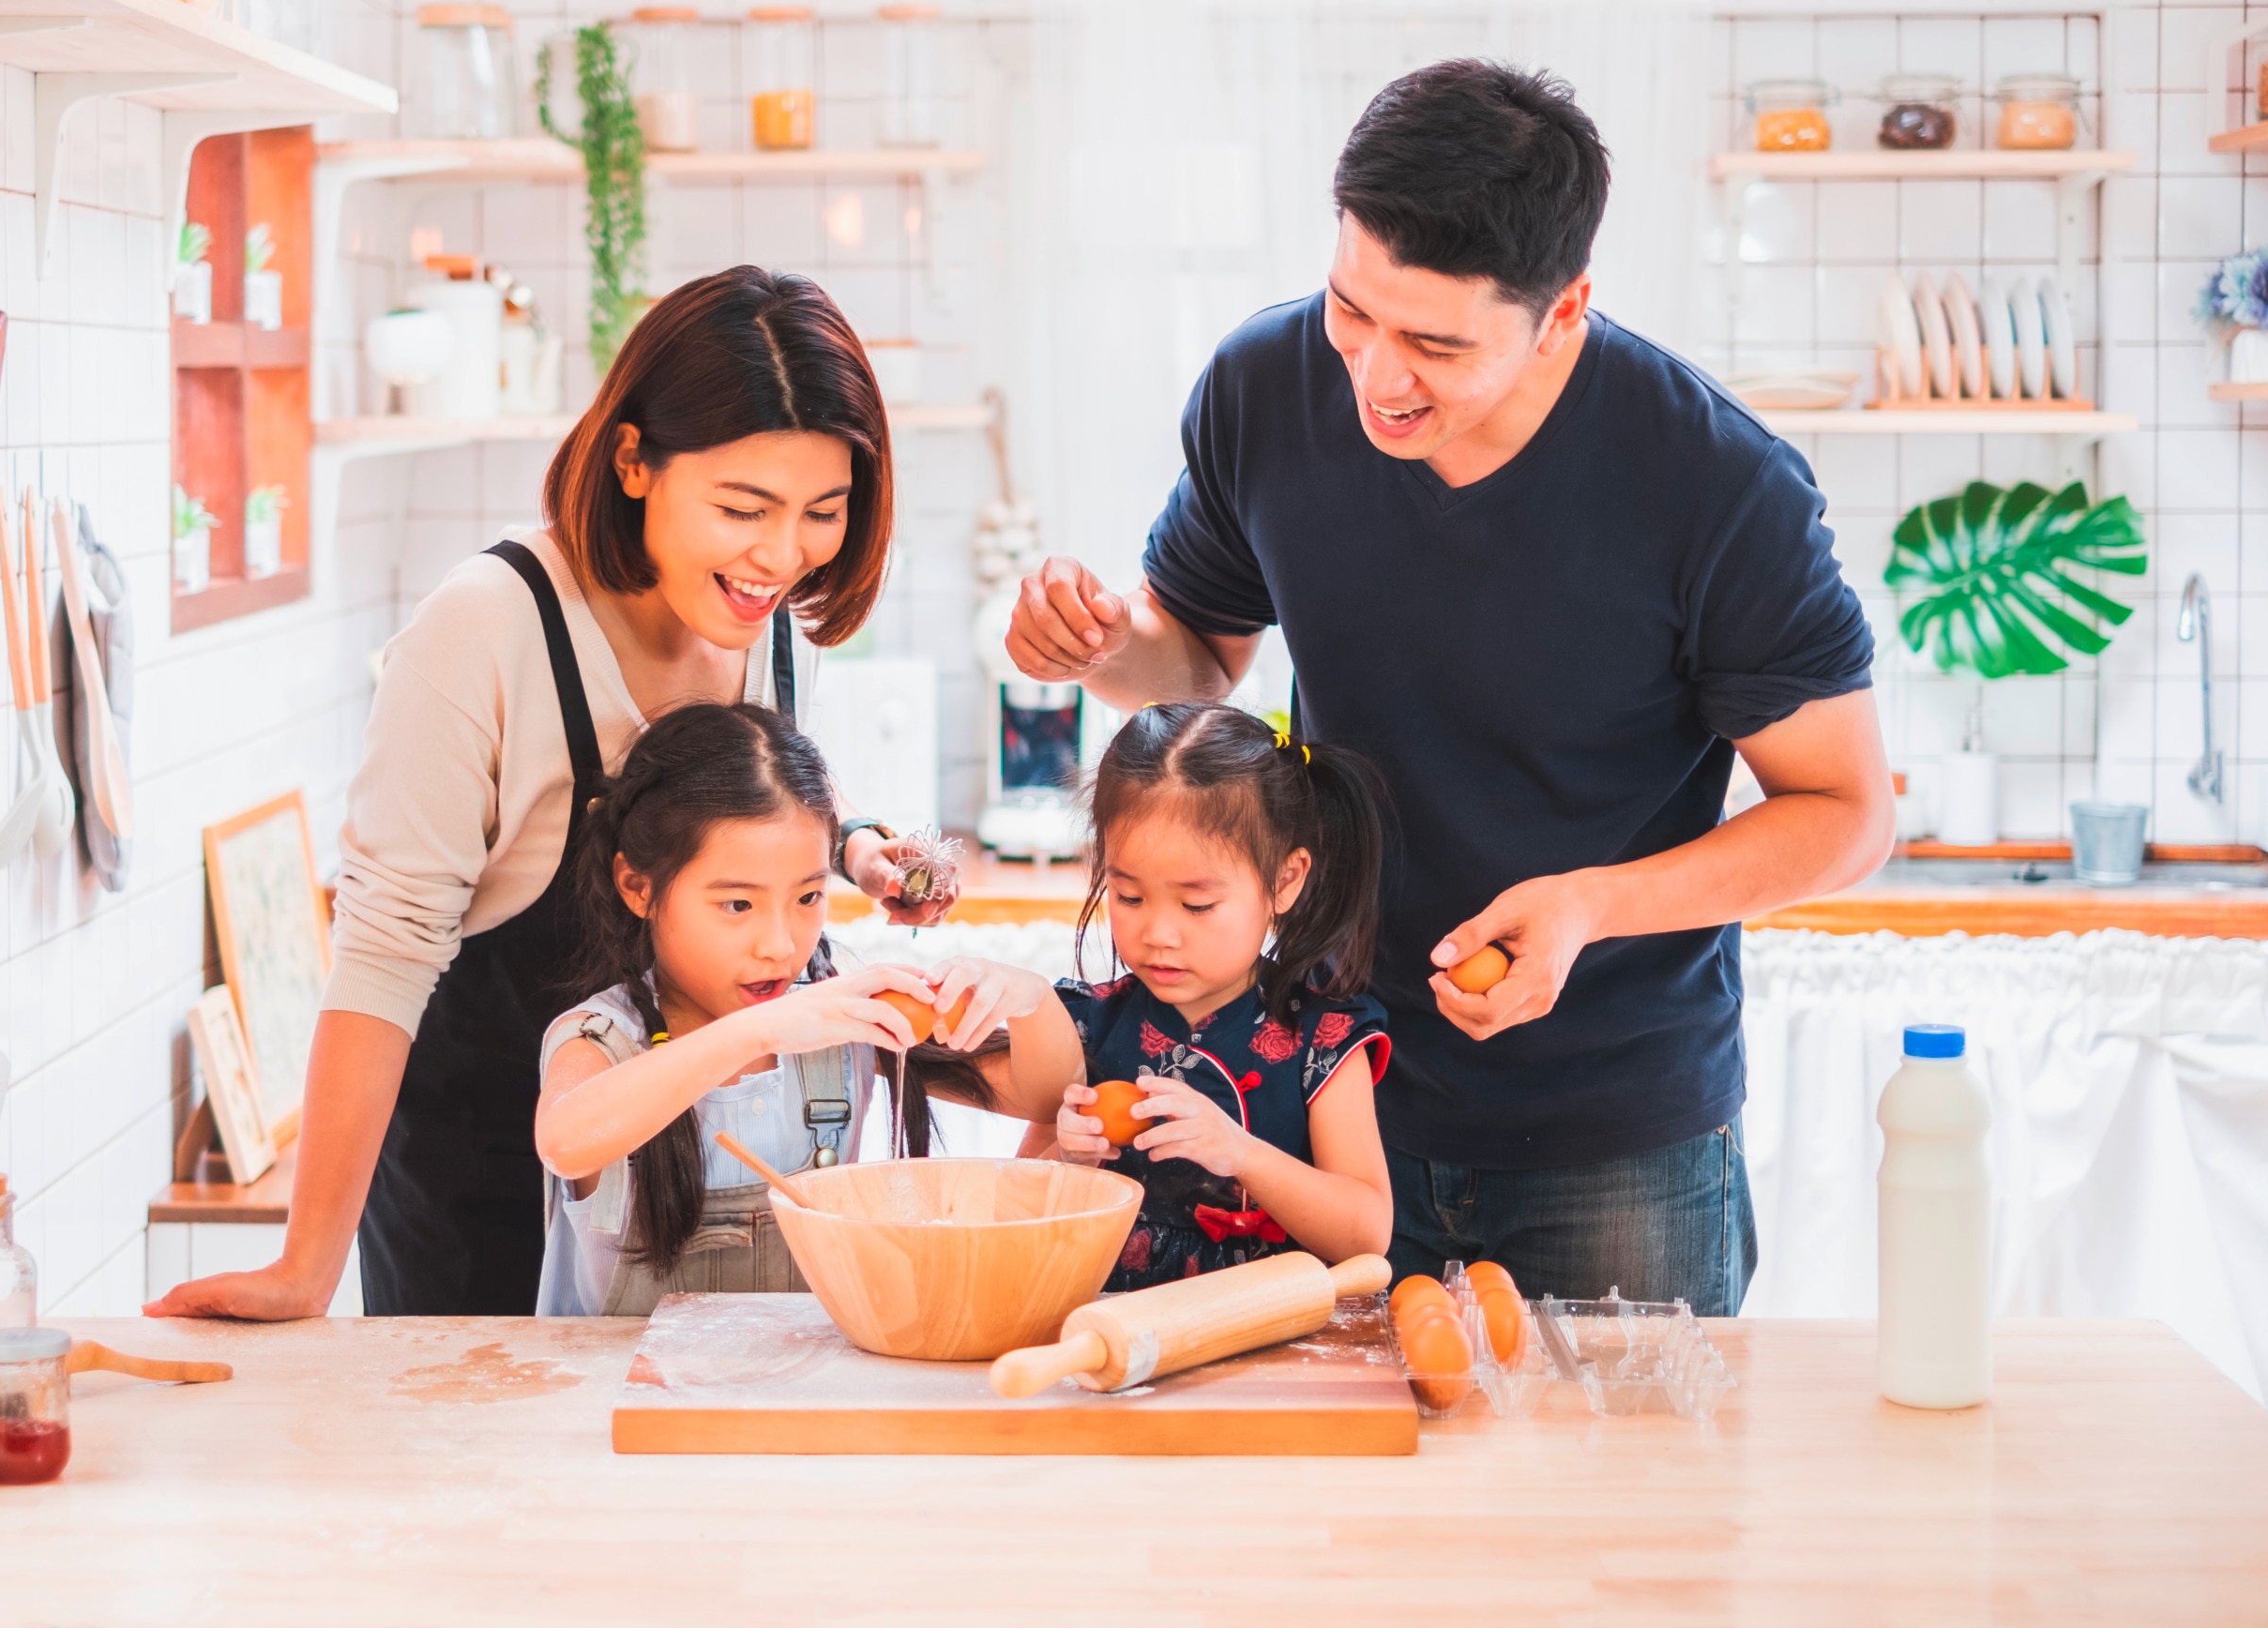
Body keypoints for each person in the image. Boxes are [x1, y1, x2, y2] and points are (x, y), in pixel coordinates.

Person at [1005, 61, 1892, 1314]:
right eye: (1352, 310)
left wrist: (1588, 904)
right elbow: (1198, 660)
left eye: (1435, 343)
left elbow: (1848, 812)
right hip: (1325, 1096)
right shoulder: (1264, 389)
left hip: (1616, 1129)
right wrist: (1102, 652)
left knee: (1633, 1496)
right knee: (1332, 1496)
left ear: (1566, 307)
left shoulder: (1716, 488)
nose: (1375, 378)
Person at [151, 267, 956, 1321]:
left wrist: (849, 846)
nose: (781, 556)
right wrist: (306, 1269)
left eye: (823, 512)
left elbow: (732, 810)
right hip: (485, 1213)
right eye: (743, 507)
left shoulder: (756, 615)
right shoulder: (487, 625)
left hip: (687, 1224)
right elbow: (383, 954)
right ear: (633, 460)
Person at [534, 702, 1082, 1315]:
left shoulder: (834, 1020)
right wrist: (761, 1028)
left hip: (797, 1400)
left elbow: (1046, 1098)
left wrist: (1031, 997)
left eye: (809, 895)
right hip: (623, 1406)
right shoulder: (603, 1040)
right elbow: (565, 1142)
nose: (781, 944)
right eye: (737, 905)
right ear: (640, 888)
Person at [1005, 701, 1393, 1289]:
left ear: (1285, 880)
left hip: (1269, 1334)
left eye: (1197, 905)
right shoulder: (1087, 1026)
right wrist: (1068, 1158)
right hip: (1114, 1332)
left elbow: (1367, 1232)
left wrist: (1240, 1152)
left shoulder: (1324, 1039)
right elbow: (1016, 1206)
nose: (1158, 933)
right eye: (1129, 896)